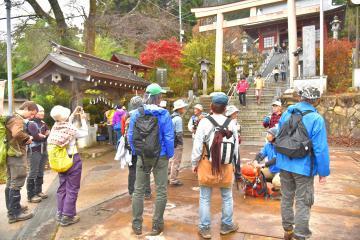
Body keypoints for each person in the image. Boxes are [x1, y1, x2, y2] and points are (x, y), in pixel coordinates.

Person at [276, 87, 330, 240]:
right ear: (316, 100)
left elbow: (280, 135)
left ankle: (287, 230)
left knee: (286, 197)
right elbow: (320, 148)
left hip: (285, 162)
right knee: (303, 201)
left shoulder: (287, 113)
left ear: (300, 97)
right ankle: (300, 235)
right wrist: (323, 172)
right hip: (304, 166)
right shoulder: (316, 118)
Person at [128, 83, 174, 236]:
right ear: (158, 97)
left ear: (146, 96)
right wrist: (169, 154)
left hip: (143, 155)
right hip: (160, 155)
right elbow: (168, 136)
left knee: (138, 190)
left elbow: (130, 136)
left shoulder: (136, 113)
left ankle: (137, 225)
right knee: (161, 190)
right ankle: (156, 225)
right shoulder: (164, 114)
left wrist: (137, 152)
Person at [191, 93, 239, 239]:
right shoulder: (231, 123)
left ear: (211, 106)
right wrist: (235, 165)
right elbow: (236, 147)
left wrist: (194, 163)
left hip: (207, 163)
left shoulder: (204, 122)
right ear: (225, 109)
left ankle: (205, 228)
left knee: (205, 197)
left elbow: (197, 146)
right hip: (226, 165)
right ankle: (226, 225)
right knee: (227, 196)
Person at [47, 105, 88, 226]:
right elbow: (84, 133)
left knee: (62, 187)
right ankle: (68, 216)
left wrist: (74, 113)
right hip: (72, 160)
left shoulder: (56, 126)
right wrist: (83, 119)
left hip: (60, 161)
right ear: (64, 117)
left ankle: (60, 212)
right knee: (72, 188)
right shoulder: (70, 129)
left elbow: (66, 121)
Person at [5, 101, 38, 224]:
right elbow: (17, 133)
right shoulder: (17, 119)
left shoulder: (13, 117)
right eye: (31, 113)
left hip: (11, 154)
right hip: (16, 155)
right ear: (27, 108)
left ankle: (13, 208)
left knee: (11, 181)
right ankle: (15, 213)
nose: (31, 117)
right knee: (17, 181)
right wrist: (27, 138)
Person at [126, 96, 152, 199]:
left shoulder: (127, 116)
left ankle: (132, 191)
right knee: (145, 169)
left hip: (130, 147)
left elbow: (126, 133)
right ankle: (146, 192)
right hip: (143, 146)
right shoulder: (145, 115)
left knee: (132, 170)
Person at [26, 104, 50, 204]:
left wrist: (42, 136)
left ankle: (38, 191)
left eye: (43, 111)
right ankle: (31, 195)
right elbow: (36, 137)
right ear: (35, 113)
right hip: (34, 150)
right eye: (40, 111)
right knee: (33, 172)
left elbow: (48, 133)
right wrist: (43, 136)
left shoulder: (43, 123)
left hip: (43, 150)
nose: (42, 113)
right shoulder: (31, 123)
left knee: (40, 171)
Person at [253, 127, 281, 193]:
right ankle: (263, 189)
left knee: (276, 182)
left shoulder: (279, 146)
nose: (267, 136)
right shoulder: (267, 145)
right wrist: (255, 161)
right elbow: (261, 154)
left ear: (274, 136)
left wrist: (263, 165)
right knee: (256, 172)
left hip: (281, 172)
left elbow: (275, 159)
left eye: (269, 134)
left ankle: (280, 192)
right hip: (271, 170)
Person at [169, 99, 188, 186]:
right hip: (177, 143)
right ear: (179, 109)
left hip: (170, 141)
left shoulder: (171, 117)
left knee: (171, 160)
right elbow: (179, 133)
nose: (184, 109)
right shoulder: (178, 119)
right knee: (176, 161)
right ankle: (173, 179)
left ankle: (167, 177)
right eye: (183, 107)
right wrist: (181, 144)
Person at [225, 105, 241, 181]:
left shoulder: (225, 121)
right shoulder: (231, 123)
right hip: (231, 146)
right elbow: (235, 137)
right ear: (231, 113)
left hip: (225, 146)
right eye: (235, 113)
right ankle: (235, 176)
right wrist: (236, 150)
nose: (236, 114)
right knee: (233, 160)